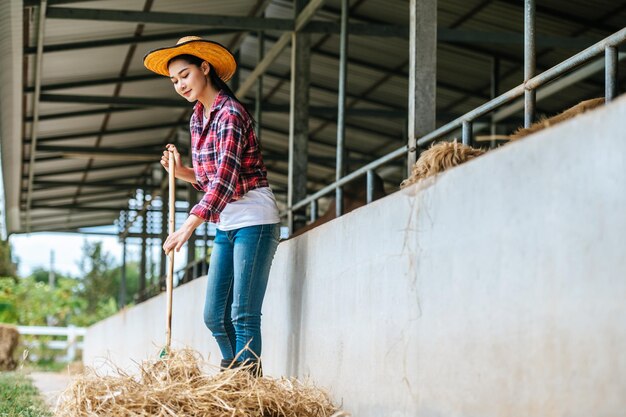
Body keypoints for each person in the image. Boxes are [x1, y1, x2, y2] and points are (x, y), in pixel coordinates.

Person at [143, 36, 281, 375]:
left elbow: (225, 180)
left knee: (243, 314)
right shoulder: (196, 119)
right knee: (214, 315)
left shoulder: (230, 114)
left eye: (185, 75)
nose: (180, 85)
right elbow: (209, 178)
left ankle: (242, 386)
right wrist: (181, 172)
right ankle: (235, 375)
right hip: (226, 223)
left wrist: (188, 226)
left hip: (254, 219)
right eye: (174, 80)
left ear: (205, 68)